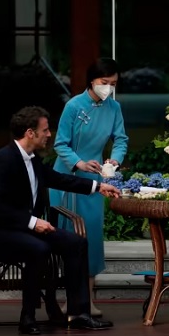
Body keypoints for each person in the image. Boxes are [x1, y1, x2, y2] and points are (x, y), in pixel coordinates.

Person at [0, 106, 120, 334]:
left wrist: (98, 186)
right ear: (30, 133)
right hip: (0, 234)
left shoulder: (33, 159)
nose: (49, 134)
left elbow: (57, 179)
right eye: (44, 130)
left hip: (26, 230)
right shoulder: (2, 159)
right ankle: (28, 318)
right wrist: (33, 222)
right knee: (39, 248)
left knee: (76, 243)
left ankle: (78, 314)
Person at [49, 57, 128, 316]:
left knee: (91, 239)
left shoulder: (114, 107)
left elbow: (121, 140)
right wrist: (79, 163)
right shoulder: (73, 106)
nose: (108, 87)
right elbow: (60, 144)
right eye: (104, 83)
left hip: (95, 181)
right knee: (70, 238)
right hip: (66, 180)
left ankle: (87, 300)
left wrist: (114, 159)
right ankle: (70, 298)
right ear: (92, 81)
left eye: (113, 83)